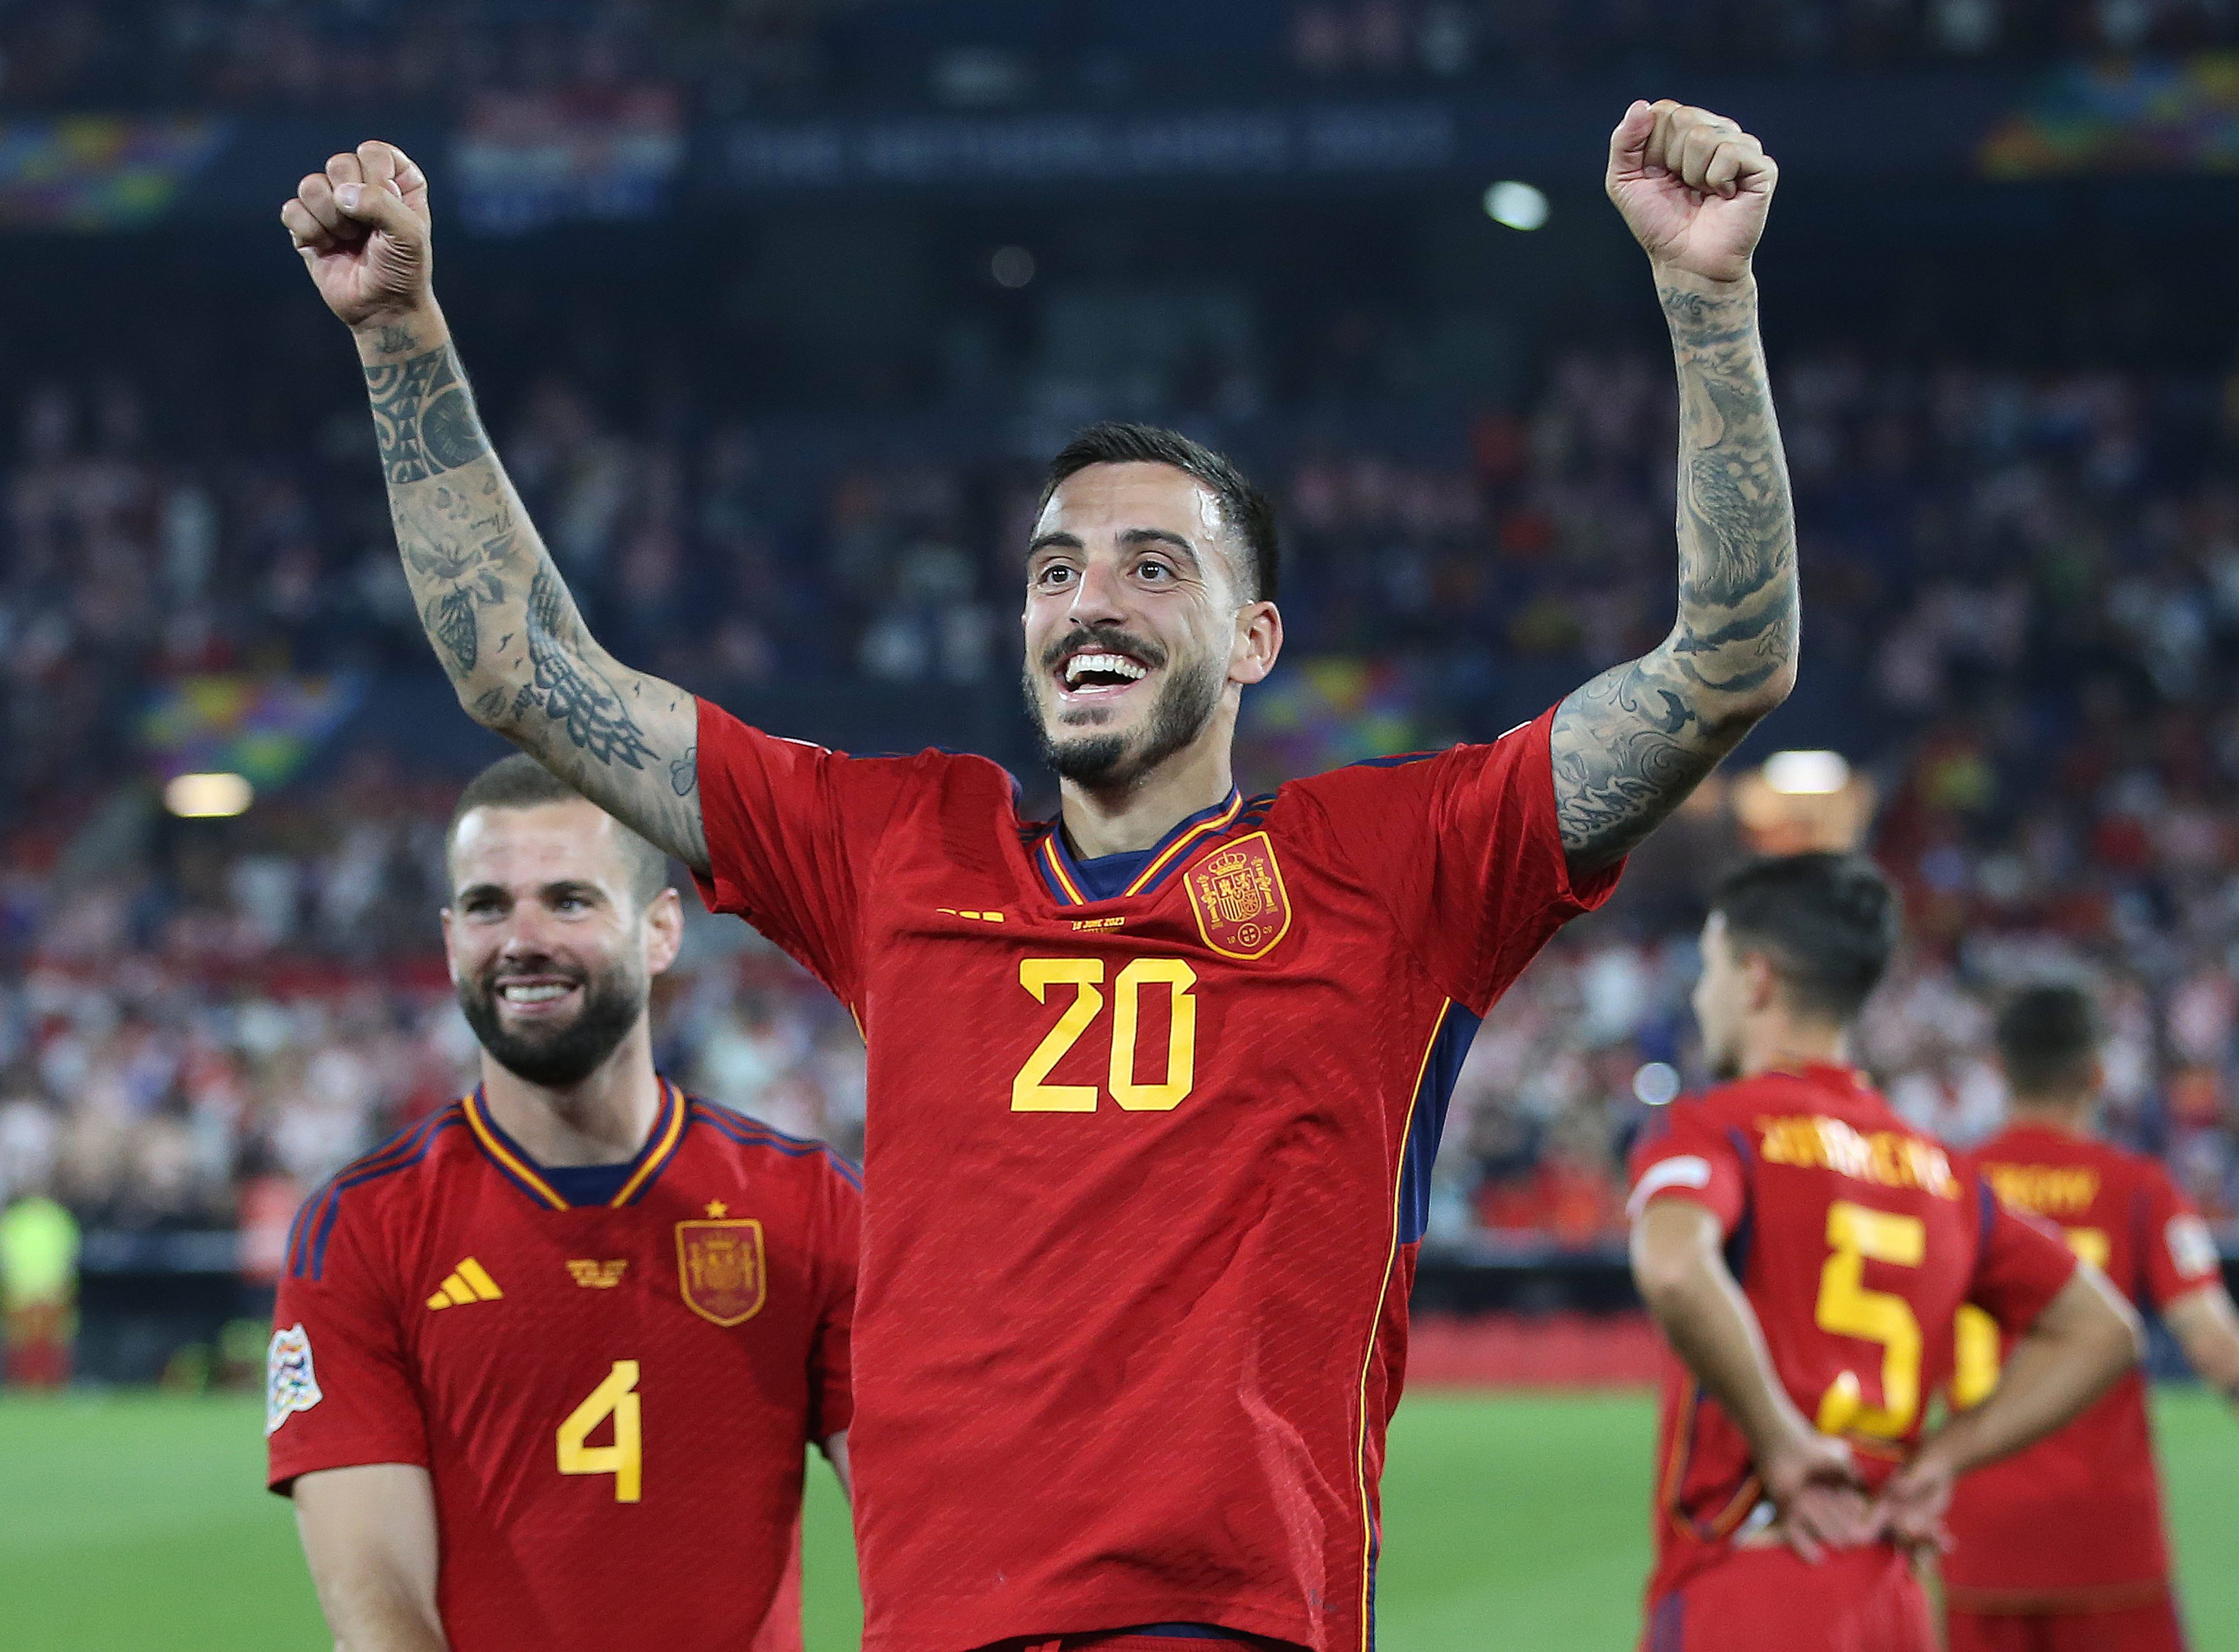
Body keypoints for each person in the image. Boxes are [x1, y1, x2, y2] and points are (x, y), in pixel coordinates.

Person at [285, 99, 1796, 1651]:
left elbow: (1727, 667)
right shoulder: (895, 848)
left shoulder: (1395, 865)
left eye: (1155, 567)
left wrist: (1708, 300)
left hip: (1215, 1626)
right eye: (1055, 569)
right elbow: (524, 671)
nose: (1091, 600)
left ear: (1255, 641)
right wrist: (400, 334)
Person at [265, 757, 859, 1652]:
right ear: (451, 939)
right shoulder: (360, 1230)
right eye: (487, 906)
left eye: (569, 900)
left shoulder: (814, 1209)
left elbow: (920, 1521)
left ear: (660, 931)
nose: (523, 939)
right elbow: (379, 1603)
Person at [1626, 854, 2143, 1652]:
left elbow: (1671, 1266)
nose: (1701, 997)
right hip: (1889, 1593)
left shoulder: (1716, 1126)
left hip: (1755, 1571)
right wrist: (1941, 1459)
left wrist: (1782, 1442)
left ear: (1755, 979)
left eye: (1711, 968)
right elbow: (2104, 1329)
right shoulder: (1942, 1171)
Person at [1941, 983, 2239, 1652]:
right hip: (2108, 1541)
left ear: (1998, 1067)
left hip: (1979, 1534)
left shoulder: (1952, 1185)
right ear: (2098, 1073)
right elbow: (2213, 1344)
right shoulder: (2138, 1187)